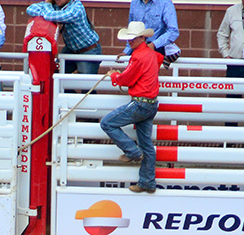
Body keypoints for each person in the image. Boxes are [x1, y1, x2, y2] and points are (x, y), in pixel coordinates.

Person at [101, 21, 160, 193]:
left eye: (132, 39)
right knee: (147, 144)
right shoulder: (151, 54)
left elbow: (126, 79)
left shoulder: (138, 57)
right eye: (130, 39)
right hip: (151, 103)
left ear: (142, 38)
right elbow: (160, 60)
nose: (130, 42)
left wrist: (114, 76)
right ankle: (147, 182)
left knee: (107, 123)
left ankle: (132, 152)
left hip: (140, 102)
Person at [24, 0, 102, 76]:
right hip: (71, 49)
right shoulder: (57, 7)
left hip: (88, 49)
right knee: (55, 75)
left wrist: (47, 5)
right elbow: (30, 9)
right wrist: (47, 11)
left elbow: (50, 16)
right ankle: (67, 89)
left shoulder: (76, 8)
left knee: (86, 85)